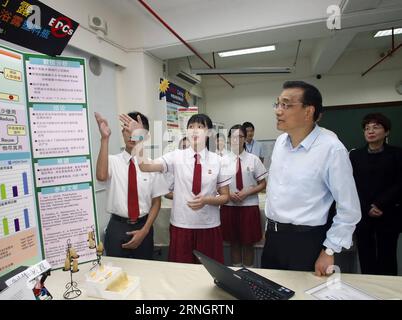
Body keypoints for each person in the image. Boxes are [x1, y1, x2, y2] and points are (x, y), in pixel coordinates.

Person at [262, 81, 361, 276]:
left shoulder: (331, 149)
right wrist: (271, 231)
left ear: (308, 112)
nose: (278, 111)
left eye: (286, 105)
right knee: (269, 291)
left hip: (306, 242)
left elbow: (349, 209)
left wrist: (329, 250)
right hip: (274, 238)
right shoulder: (281, 141)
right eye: (277, 104)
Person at [119, 113, 231, 264]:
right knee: (181, 272)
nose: (195, 130)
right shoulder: (176, 156)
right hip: (181, 225)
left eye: (200, 126)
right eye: (191, 127)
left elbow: (225, 197)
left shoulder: (218, 161)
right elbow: (145, 166)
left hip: (209, 226)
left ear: (209, 132)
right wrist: (139, 137)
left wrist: (207, 200)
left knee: (209, 272)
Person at [95, 111, 168, 260]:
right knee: (116, 274)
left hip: (144, 226)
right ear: (122, 132)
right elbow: (101, 176)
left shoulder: (151, 165)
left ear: (145, 136)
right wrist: (104, 139)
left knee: (145, 272)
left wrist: (145, 230)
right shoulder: (112, 161)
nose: (131, 135)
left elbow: (156, 202)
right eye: (128, 130)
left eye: (136, 131)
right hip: (117, 226)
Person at [349, 113, 402, 276]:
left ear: (386, 132)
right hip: (363, 214)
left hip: (389, 212)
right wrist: (367, 207)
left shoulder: (397, 154)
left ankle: (389, 291)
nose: (370, 131)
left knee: (388, 254)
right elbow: (352, 185)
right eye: (367, 128)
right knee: (366, 255)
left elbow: (400, 183)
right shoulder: (355, 155)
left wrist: (380, 204)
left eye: (376, 127)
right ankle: (369, 289)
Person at [221, 124, 267, 267]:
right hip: (229, 206)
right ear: (229, 139)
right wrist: (228, 194)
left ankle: (249, 274)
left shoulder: (254, 159)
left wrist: (247, 192)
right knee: (234, 242)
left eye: (240, 136)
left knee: (248, 244)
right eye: (233, 137)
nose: (237, 140)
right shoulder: (222, 160)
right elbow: (216, 184)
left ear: (245, 139)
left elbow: (263, 183)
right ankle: (236, 272)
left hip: (249, 207)